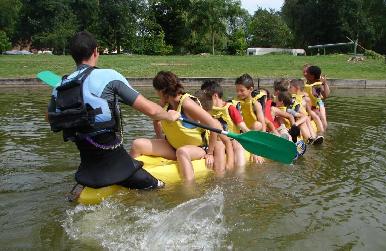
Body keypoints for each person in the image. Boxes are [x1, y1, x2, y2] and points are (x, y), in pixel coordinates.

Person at [47, 31, 180, 198]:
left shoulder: (61, 85)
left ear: (72, 55)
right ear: (96, 51)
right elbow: (152, 111)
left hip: (87, 168)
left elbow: (50, 118)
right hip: (117, 166)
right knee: (160, 188)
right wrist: (170, 116)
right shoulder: (108, 76)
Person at [130, 71, 226, 181]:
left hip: (197, 149)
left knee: (182, 151)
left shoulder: (187, 103)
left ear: (162, 91)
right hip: (172, 146)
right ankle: (128, 176)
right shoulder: (164, 104)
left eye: (156, 91)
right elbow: (156, 120)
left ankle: (189, 191)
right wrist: (160, 139)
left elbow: (214, 126)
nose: (157, 94)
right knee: (137, 144)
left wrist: (209, 153)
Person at [200, 80, 249, 167]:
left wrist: (254, 151)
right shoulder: (205, 110)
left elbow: (244, 128)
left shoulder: (230, 108)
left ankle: (240, 174)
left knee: (237, 145)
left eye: (206, 98)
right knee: (219, 145)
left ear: (215, 96)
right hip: (216, 143)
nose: (204, 101)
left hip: (232, 141)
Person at [234, 74, 266, 163]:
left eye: (242, 90)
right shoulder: (235, 103)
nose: (239, 93)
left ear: (250, 89)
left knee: (257, 124)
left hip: (254, 134)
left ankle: (254, 150)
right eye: (237, 91)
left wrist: (260, 146)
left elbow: (263, 126)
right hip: (241, 133)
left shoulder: (255, 104)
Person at [303, 65, 329, 131]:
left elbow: (325, 95)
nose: (305, 74)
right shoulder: (307, 82)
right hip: (308, 106)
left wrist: (324, 83)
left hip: (316, 107)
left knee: (321, 116)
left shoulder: (316, 85)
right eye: (304, 72)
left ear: (312, 76)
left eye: (307, 72)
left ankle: (323, 132)